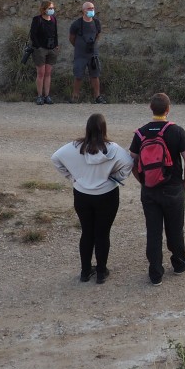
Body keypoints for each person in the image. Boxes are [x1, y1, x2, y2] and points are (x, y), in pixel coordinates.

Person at [51, 113, 134, 284]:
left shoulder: (74, 147)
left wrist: (72, 177)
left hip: (82, 195)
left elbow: (55, 158)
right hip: (107, 195)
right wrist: (115, 177)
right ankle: (101, 272)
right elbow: (129, 164)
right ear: (104, 129)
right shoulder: (114, 149)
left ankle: (85, 271)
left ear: (87, 128)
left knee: (87, 232)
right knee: (103, 234)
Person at [129, 93, 185, 286]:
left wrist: (142, 181)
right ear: (168, 109)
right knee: (175, 228)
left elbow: (132, 162)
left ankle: (155, 272)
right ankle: (179, 263)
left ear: (151, 108)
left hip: (150, 189)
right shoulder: (176, 131)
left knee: (153, 230)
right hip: (173, 188)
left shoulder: (140, 133)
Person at [70, 1, 104, 104]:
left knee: (95, 75)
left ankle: (97, 96)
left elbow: (98, 35)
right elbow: (72, 38)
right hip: (80, 54)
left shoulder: (96, 22)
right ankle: (75, 96)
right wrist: (79, 46)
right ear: (83, 10)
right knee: (78, 75)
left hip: (93, 54)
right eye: (89, 9)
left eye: (92, 8)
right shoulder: (76, 24)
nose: (91, 10)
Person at [30, 0, 60, 105]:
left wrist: (56, 45)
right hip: (40, 49)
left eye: (52, 8)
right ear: (44, 9)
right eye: (49, 8)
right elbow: (33, 34)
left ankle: (47, 95)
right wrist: (38, 47)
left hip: (51, 49)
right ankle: (39, 96)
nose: (52, 10)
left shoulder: (53, 19)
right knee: (41, 73)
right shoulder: (37, 20)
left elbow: (55, 33)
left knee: (48, 73)